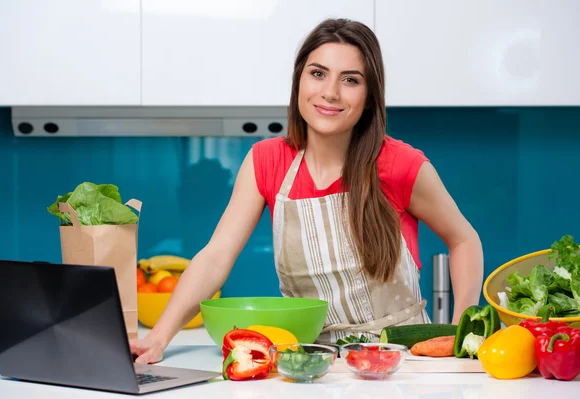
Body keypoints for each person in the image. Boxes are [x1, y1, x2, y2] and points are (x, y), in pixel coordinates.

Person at [130, 18, 483, 364]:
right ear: (299, 80)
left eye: (350, 80)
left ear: (370, 94)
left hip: (401, 364)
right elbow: (215, 257)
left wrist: (461, 327)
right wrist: (158, 338)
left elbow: (464, 239)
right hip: (312, 364)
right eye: (318, 73)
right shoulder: (266, 161)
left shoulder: (400, 164)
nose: (330, 91)